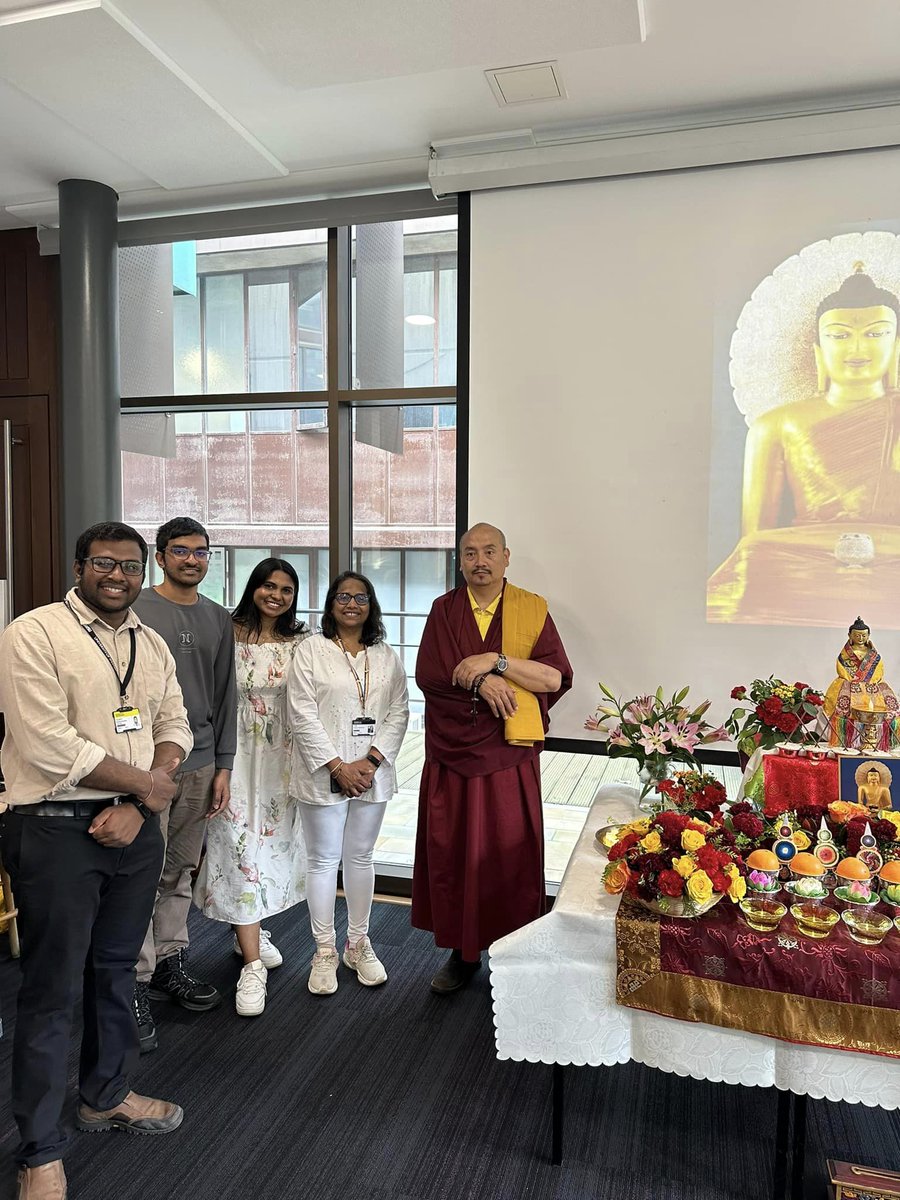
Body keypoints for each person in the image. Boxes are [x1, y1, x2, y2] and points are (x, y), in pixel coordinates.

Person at [0, 521, 193, 1200]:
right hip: (54, 829)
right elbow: (48, 743)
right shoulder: (35, 633)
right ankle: (39, 1151)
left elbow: (175, 727)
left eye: (131, 566)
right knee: (53, 991)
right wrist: (144, 786)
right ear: (81, 565)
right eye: (105, 564)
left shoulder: (151, 641)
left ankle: (106, 1093)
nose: (119, 576)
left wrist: (141, 804)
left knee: (115, 972)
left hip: (134, 828)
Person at [411, 522, 572, 994]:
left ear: (506, 557)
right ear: (460, 561)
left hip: (508, 755)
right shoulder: (445, 610)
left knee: (509, 859)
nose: (478, 561)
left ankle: (514, 956)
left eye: (488, 552)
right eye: (469, 553)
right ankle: (462, 955)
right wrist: (481, 684)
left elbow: (554, 680)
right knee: (455, 853)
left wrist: (495, 662)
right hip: (453, 756)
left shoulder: (531, 608)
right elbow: (429, 676)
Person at [708, 268, 900, 625]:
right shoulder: (775, 425)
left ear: (897, 345)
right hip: (798, 563)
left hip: (892, 561)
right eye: (839, 335)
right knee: (755, 552)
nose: (857, 348)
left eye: (876, 333)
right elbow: (755, 539)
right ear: (818, 351)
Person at [131, 517, 237, 1052]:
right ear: (160, 555)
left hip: (199, 765)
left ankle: (170, 962)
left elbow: (226, 697)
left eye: (201, 552)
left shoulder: (219, 617)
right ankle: (133, 982)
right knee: (139, 874)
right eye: (181, 551)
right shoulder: (134, 610)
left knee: (178, 871)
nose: (192, 560)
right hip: (143, 768)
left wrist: (224, 764)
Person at [193, 558, 311, 1017]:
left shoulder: (301, 642)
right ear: (253, 587)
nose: (275, 595)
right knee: (235, 849)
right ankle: (252, 965)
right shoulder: (227, 630)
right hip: (232, 757)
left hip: (281, 761)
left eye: (285, 588)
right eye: (268, 585)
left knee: (274, 849)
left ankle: (252, 927)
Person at [287, 572, 409, 996]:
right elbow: (300, 713)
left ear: (371, 604)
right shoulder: (311, 651)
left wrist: (370, 762)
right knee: (322, 861)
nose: (352, 604)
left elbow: (399, 710)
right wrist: (338, 766)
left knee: (360, 856)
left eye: (360, 597)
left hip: (372, 773)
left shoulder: (386, 655)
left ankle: (358, 944)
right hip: (324, 772)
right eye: (344, 596)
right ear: (331, 604)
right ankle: (324, 951)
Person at [823, 616, 900, 751]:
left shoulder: (874, 656)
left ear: (868, 636)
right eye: (857, 635)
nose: (860, 638)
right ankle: (848, 739)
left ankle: (880, 740)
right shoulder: (844, 656)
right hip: (849, 682)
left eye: (863, 635)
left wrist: (869, 682)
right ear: (850, 635)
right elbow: (842, 670)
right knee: (841, 702)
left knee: (888, 704)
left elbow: (878, 671)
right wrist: (855, 681)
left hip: (872, 684)